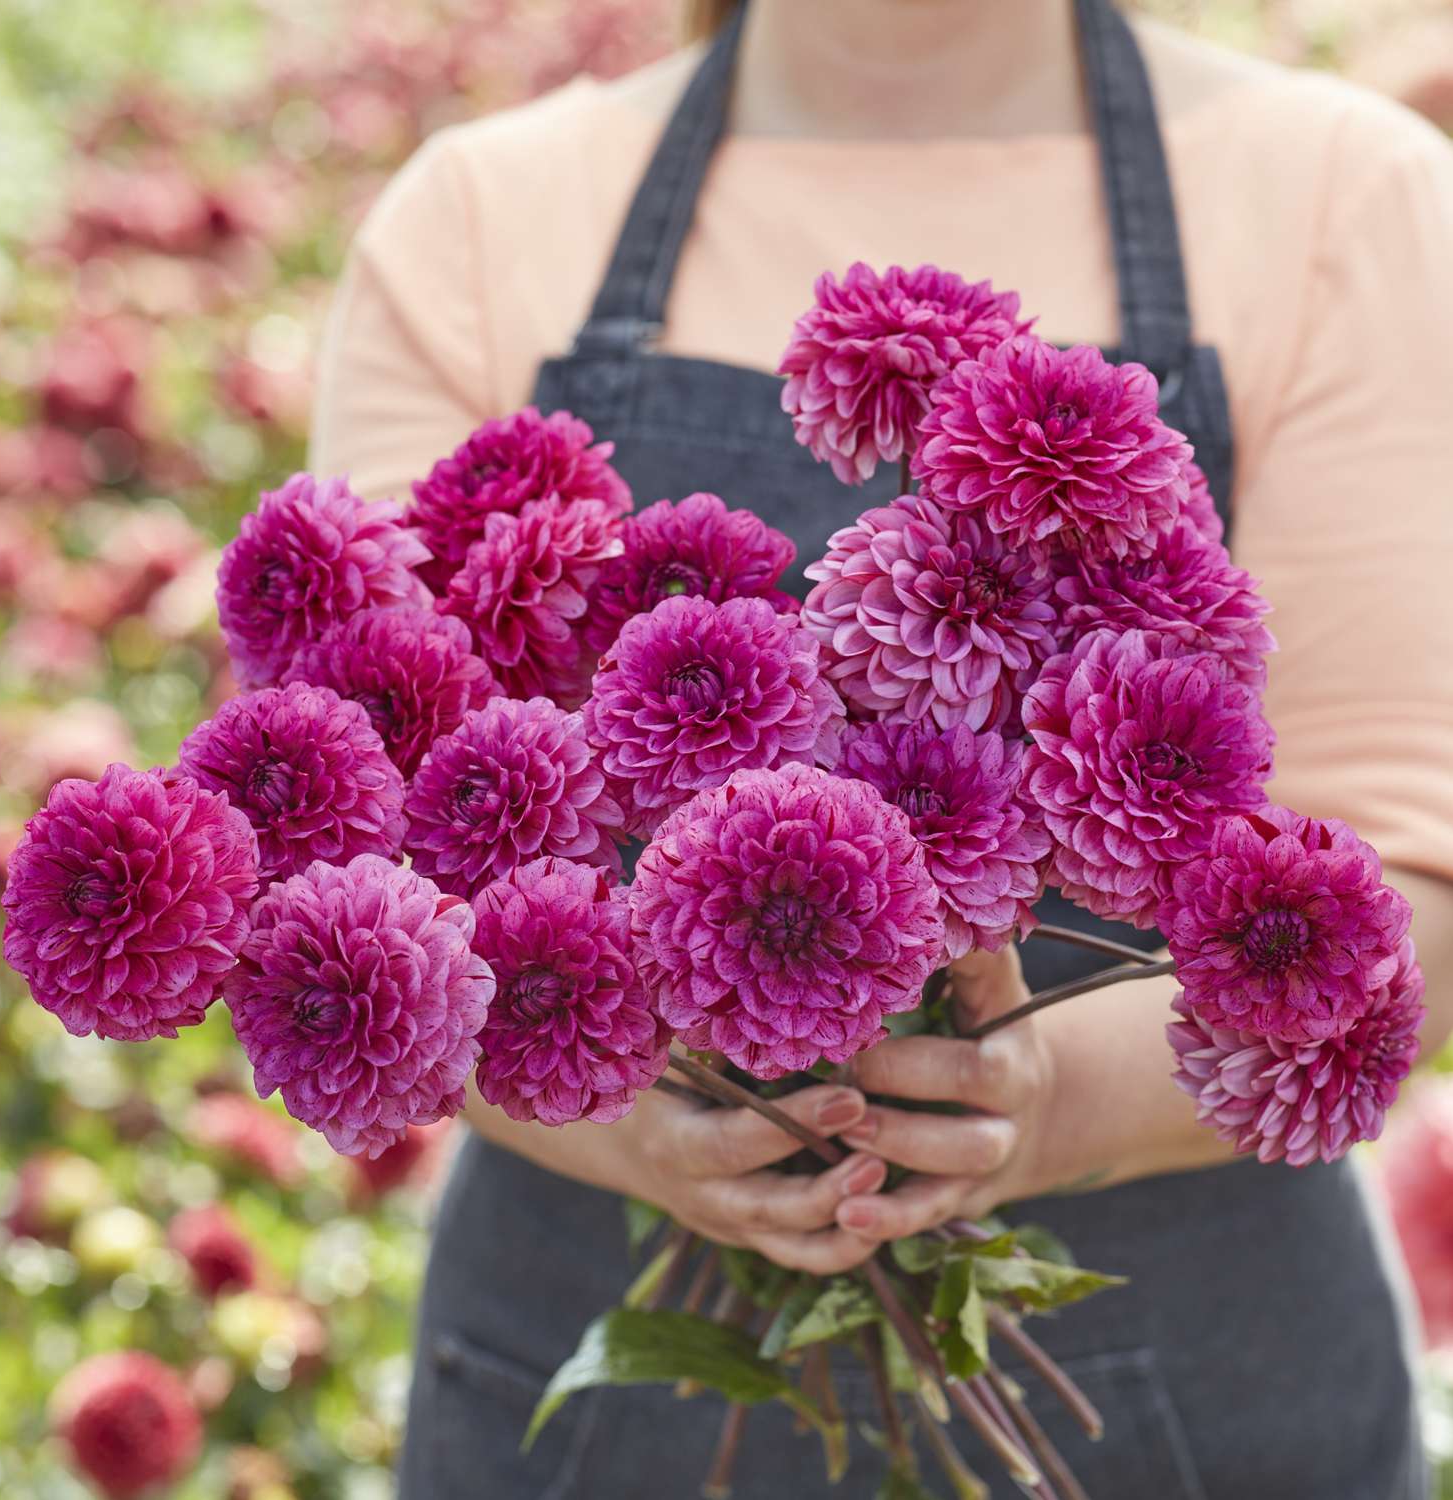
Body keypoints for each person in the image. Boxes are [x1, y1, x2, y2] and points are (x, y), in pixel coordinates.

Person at [310, 1, 1453, 1493]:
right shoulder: (474, 215)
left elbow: (1406, 878)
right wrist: (631, 1119)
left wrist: (1039, 1099)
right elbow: (341, 877)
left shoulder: (1345, 193)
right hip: (600, 1383)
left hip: (1188, 1388)